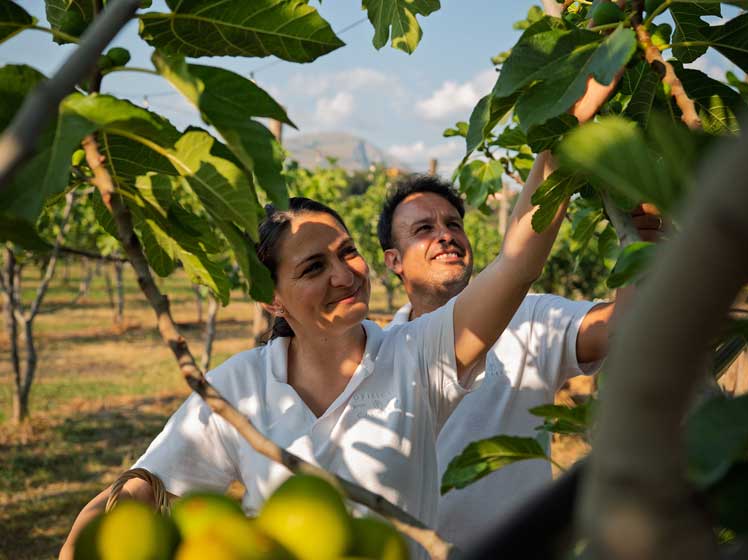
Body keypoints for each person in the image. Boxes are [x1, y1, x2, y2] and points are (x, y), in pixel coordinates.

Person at [60, 109, 581, 558]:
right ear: (273, 299)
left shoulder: (417, 357)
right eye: (313, 268)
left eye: (347, 251)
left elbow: (515, 264)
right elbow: (146, 486)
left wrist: (562, 135)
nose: (344, 274)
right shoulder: (241, 386)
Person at [377, 157, 662, 545]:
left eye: (453, 225)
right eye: (424, 229)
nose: (445, 236)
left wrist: (640, 250)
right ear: (393, 260)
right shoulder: (380, 353)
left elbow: (618, 329)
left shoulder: (529, 317)